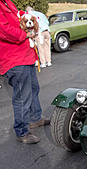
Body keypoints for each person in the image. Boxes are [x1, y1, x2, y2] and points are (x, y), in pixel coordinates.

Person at [0, 0, 50, 144]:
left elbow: (19, 18)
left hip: (26, 56)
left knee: (34, 88)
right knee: (22, 96)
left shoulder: (8, 2)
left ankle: (35, 118)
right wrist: (25, 34)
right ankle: (22, 131)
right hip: (13, 59)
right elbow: (4, 30)